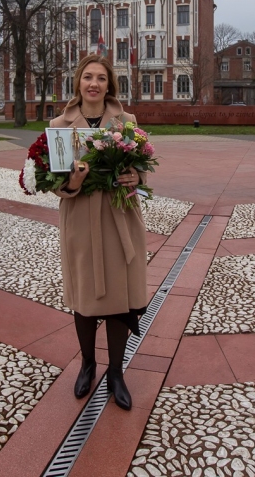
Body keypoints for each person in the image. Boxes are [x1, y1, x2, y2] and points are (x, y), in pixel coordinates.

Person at [51, 54, 147, 411]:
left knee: (120, 297)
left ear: (110, 85)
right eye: (88, 77)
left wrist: (136, 178)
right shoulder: (60, 123)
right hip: (79, 219)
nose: (94, 84)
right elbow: (54, 183)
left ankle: (116, 372)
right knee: (85, 295)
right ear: (78, 82)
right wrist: (72, 180)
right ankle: (88, 364)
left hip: (119, 216)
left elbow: (142, 169)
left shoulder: (127, 121)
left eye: (101, 78)